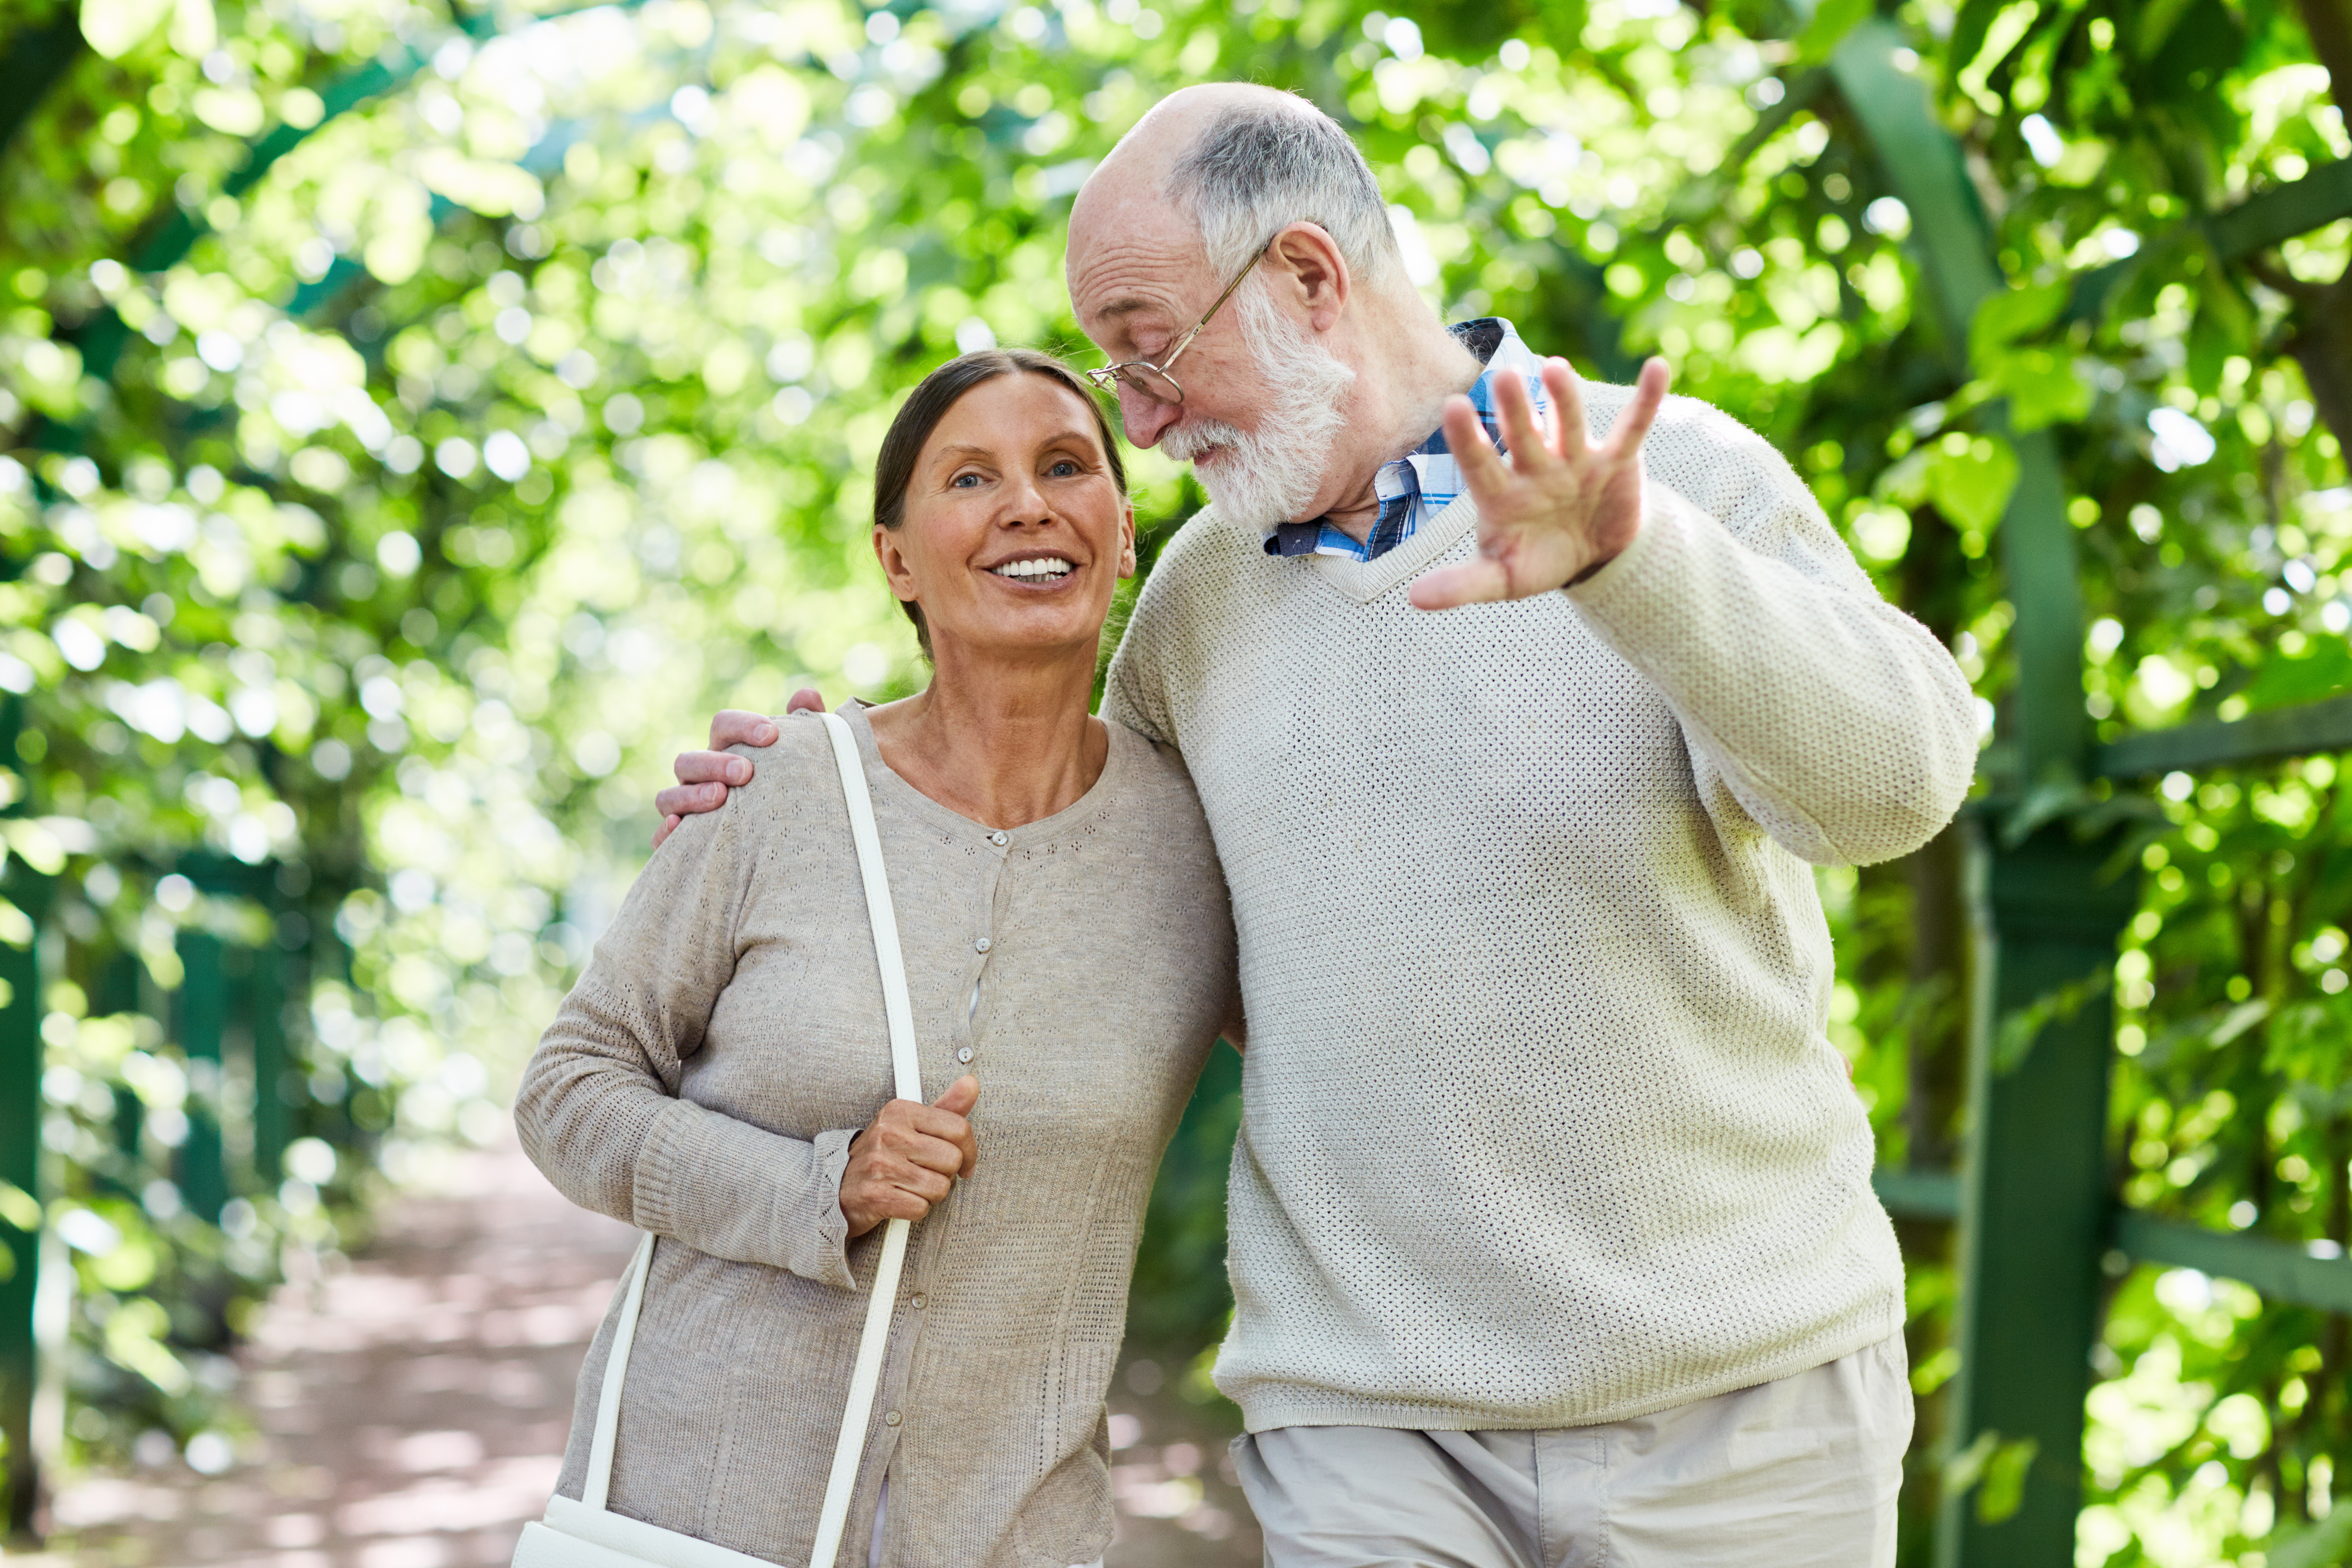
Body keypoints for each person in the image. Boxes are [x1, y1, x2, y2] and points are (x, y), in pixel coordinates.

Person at [659, 85, 1977, 1566]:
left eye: (1152, 353)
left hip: (1746, 1403)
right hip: (1362, 1416)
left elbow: (1897, 792)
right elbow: (1078, 905)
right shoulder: (1192, 614)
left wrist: (1634, 566)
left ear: (1306, 275)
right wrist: (813, 809)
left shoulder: (1675, 478)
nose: (1139, 422)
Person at [519, 347, 1238, 1568]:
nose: (1027, 504)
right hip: (697, 1515)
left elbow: (1354, 1054)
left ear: (1123, 538)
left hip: (1017, 1534)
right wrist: (819, 1189)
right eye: (971, 477)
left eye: (1067, 467)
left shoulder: (1208, 840)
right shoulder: (779, 792)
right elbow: (569, 1091)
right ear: (896, 557)